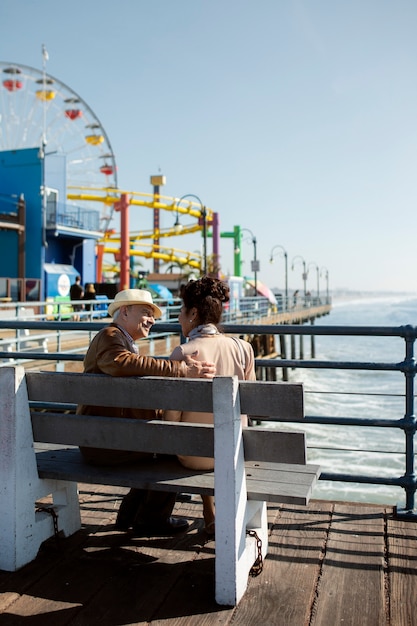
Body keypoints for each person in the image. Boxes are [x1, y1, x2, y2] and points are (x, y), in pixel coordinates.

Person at [77, 288, 216, 537]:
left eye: (152, 315)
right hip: (104, 443)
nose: (152, 319)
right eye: (146, 312)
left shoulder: (119, 340)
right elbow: (120, 363)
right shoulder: (110, 336)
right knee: (173, 452)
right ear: (124, 312)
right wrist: (181, 370)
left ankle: (130, 514)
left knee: (159, 444)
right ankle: (153, 518)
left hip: (103, 436)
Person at [164, 276, 256, 535]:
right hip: (235, 453)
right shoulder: (244, 349)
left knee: (197, 433)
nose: (179, 318)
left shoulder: (182, 354)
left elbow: (171, 420)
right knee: (220, 431)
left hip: (193, 457)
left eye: (181, 312)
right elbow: (251, 408)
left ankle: (210, 511)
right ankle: (214, 512)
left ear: (193, 313)